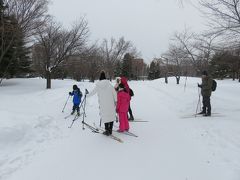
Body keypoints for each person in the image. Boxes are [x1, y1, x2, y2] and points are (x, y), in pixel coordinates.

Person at [87, 71, 117, 136]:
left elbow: (92, 92)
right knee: (111, 116)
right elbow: (115, 94)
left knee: (105, 117)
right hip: (111, 104)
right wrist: (116, 101)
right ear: (105, 78)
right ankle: (110, 130)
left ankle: (107, 130)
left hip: (103, 105)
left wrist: (86, 95)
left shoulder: (98, 86)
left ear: (100, 78)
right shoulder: (110, 85)